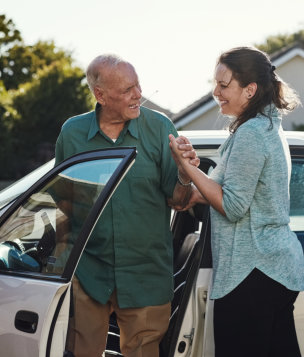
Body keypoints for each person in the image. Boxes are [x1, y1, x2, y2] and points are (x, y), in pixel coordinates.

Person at [169, 46, 304, 357]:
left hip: (254, 272)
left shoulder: (252, 133)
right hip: (273, 269)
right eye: (214, 83)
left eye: (223, 85)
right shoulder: (264, 126)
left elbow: (232, 206)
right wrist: (192, 179)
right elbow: (219, 194)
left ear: (250, 90)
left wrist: (190, 168)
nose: (215, 92)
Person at [55, 54, 198, 357]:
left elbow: (179, 200)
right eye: (127, 90)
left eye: (138, 86)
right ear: (100, 95)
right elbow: (62, 202)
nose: (138, 95)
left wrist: (185, 176)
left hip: (146, 275)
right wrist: (61, 264)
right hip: (89, 274)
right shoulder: (72, 133)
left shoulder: (160, 129)